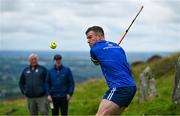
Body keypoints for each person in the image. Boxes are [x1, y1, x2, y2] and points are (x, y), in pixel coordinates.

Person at [85, 26, 136, 115]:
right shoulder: (118, 47)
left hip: (120, 87)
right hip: (131, 86)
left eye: (90, 37)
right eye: (87, 38)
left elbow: (96, 63)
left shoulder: (94, 49)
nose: (88, 41)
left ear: (99, 37)